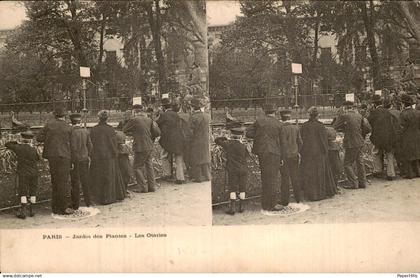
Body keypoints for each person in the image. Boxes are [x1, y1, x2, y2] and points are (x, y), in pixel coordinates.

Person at [246, 103, 284, 211]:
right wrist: (282, 157)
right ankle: (272, 204)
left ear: (265, 111)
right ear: (275, 111)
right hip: (275, 153)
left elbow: (248, 133)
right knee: (273, 178)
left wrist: (260, 136)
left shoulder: (259, 121)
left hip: (262, 152)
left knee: (265, 177)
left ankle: (265, 203)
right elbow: (282, 142)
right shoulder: (279, 124)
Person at [36, 106, 73, 215]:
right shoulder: (68, 127)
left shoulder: (49, 125)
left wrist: (50, 138)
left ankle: (55, 207)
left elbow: (39, 138)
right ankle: (64, 207)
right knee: (64, 181)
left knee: (55, 181)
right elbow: (72, 143)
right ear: (64, 116)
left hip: (52, 156)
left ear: (54, 115)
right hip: (65, 156)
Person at [89, 110, 126, 204]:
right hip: (109, 156)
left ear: (98, 118)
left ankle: (98, 198)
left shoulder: (94, 129)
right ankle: (109, 198)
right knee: (109, 176)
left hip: (97, 156)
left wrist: (92, 155)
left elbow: (91, 144)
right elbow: (113, 143)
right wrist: (115, 154)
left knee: (97, 176)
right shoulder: (110, 129)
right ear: (107, 118)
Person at [300, 107, 337, 201]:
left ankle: (311, 194)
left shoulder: (304, 126)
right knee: (320, 173)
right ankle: (320, 194)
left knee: (309, 173)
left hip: (308, 154)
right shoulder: (321, 126)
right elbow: (323, 141)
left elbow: (302, 140)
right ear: (317, 115)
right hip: (319, 153)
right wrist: (325, 152)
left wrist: (302, 152)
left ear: (309, 115)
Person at [333, 101, 371, 189]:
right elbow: (367, 128)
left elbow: (334, 126)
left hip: (351, 142)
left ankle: (354, 183)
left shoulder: (344, 116)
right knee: (360, 162)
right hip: (360, 141)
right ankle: (363, 182)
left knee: (347, 163)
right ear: (352, 107)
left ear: (345, 108)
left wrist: (340, 121)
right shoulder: (359, 116)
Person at [123, 104, 161, 193]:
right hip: (149, 145)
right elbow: (156, 132)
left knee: (137, 167)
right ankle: (152, 186)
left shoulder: (134, 120)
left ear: (134, 111)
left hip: (140, 146)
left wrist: (134, 133)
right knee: (149, 165)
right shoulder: (149, 119)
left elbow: (124, 129)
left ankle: (143, 187)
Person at [5, 131, 40, 219]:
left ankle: (23, 211)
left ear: (22, 138)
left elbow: (7, 144)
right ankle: (32, 210)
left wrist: (17, 142)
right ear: (31, 140)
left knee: (23, 190)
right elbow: (38, 158)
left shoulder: (18, 148)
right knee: (33, 189)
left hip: (23, 172)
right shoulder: (33, 149)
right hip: (34, 172)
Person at [215, 127, 249, 215]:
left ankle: (232, 208)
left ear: (231, 135)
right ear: (240, 137)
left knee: (232, 187)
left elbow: (216, 140)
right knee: (242, 187)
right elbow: (247, 156)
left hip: (233, 169)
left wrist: (225, 138)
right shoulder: (243, 146)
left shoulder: (228, 144)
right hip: (243, 169)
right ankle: (241, 207)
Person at [367, 95, 398, 180]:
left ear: (374, 104)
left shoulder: (373, 112)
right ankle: (391, 174)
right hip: (389, 136)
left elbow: (367, 122)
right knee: (389, 154)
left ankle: (378, 171)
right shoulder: (387, 112)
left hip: (378, 137)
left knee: (376, 153)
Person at [157, 99, 187, 184]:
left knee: (164, 156)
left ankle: (167, 174)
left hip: (168, 140)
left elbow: (156, 124)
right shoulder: (176, 115)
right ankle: (180, 178)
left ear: (163, 107)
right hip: (178, 139)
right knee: (178, 158)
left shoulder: (163, 115)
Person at [279, 110, 302, 206]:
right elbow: (300, 142)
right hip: (294, 155)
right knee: (295, 177)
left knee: (285, 178)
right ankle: (298, 198)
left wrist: (281, 157)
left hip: (285, 157)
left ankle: (285, 200)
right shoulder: (295, 128)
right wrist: (297, 151)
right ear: (290, 118)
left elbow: (282, 144)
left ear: (282, 118)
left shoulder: (281, 129)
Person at [69, 113, 93, 209]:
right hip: (85, 159)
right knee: (85, 180)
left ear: (71, 122)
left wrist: (72, 160)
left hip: (75, 160)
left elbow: (72, 148)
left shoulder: (71, 132)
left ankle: (75, 204)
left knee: (75, 181)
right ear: (80, 122)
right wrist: (87, 155)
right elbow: (90, 146)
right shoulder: (85, 132)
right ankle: (88, 201)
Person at [189, 98, 211, 183]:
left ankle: (198, 177)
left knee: (197, 158)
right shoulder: (207, 116)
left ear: (193, 107)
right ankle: (207, 176)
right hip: (205, 139)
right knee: (205, 157)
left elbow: (190, 131)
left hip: (196, 140)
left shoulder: (193, 117)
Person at [399, 94, 420, 179]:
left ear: (403, 104)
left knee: (408, 154)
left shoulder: (403, 114)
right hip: (417, 134)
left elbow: (401, 127)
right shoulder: (417, 112)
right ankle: (418, 172)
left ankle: (410, 174)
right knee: (417, 152)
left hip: (407, 136)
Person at [115, 127, 132, 193]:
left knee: (121, 174)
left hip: (120, 156)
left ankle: (121, 190)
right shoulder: (122, 134)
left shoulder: (117, 134)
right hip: (124, 157)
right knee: (126, 173)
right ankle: (124, 189)